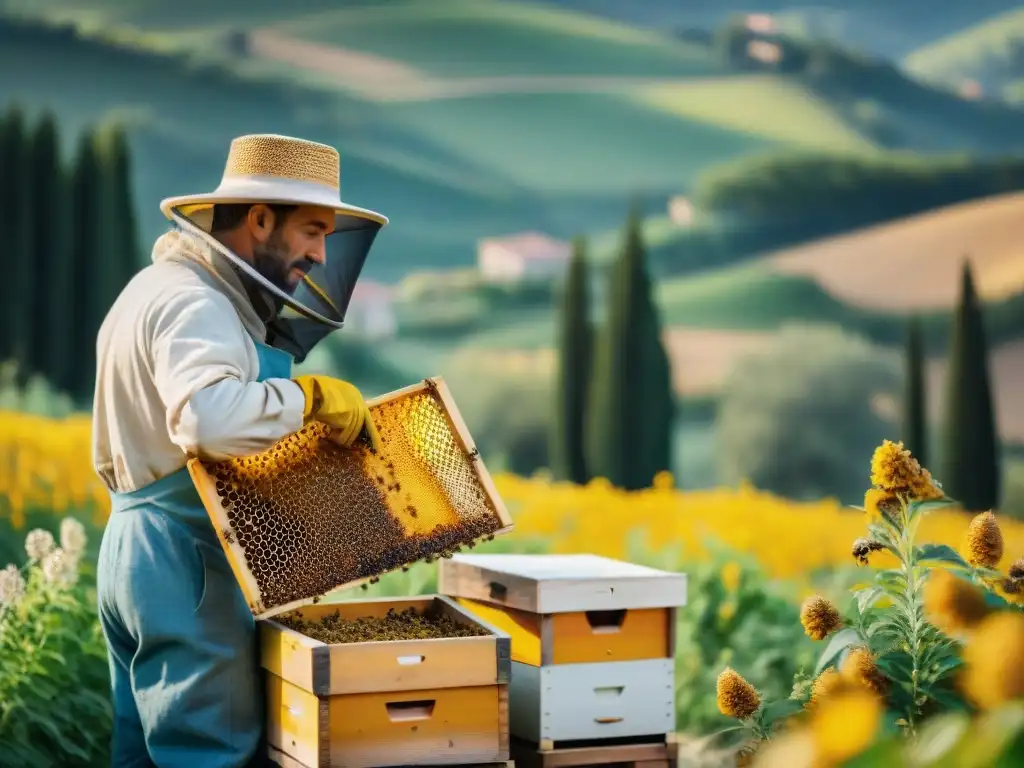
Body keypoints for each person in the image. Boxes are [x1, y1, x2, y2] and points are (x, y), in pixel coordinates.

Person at [93, 134, 388, 767]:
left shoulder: (153, 288)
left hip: (133, 549)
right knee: (210, 752)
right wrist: (305, 398)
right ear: (258, 219)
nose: (319, 252)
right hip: (187, 559)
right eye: (312, 230)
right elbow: (206, 419)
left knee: (141, 754)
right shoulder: (197, 303)